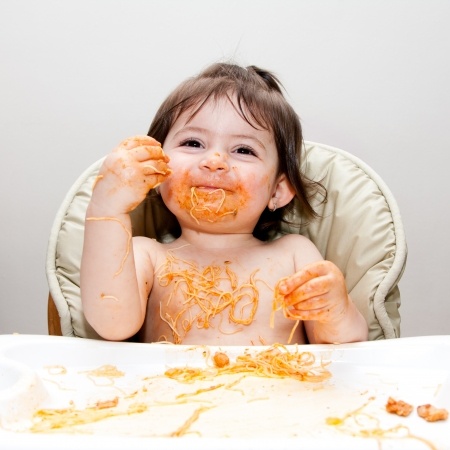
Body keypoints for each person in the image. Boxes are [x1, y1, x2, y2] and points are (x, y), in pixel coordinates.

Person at [80, 62, 368, 346]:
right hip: (168, 392)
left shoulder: (293, 255)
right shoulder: (146, 257)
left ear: (278, 191)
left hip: (281, 391)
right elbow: (111, 325)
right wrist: (107, 209)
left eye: (243, 150)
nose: (214, 161)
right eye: (193, 143)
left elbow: (339, 347)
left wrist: (336, 311)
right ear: (157, 171)